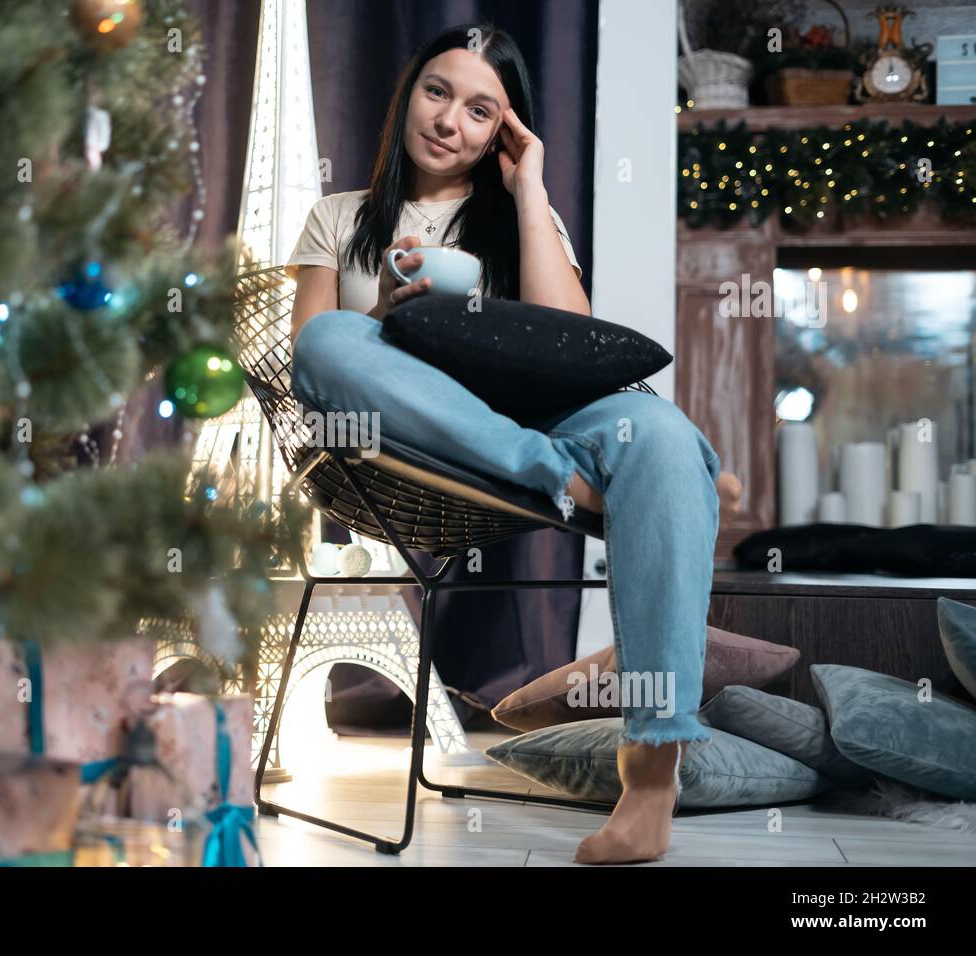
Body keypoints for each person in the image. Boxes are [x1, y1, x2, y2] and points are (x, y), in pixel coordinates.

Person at [284, 23, 744, 864]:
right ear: (409, 93)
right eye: (438, 92)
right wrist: (387, 314)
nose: (450, 119)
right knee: (332, 343)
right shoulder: (339, 215)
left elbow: (573, 347)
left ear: (504, 130)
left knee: (664, 438)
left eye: (481, 110)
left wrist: (530, 190)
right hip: (412, 436)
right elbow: (310, 369)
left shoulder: (522, 217)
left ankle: (652, 771)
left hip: (536, 414)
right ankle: (562, 480)